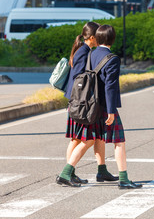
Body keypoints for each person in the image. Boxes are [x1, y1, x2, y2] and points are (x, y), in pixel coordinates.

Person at [58, 24, 142, 189]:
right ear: (112, 39)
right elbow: (110, 87)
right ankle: (123, 179)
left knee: (91, 139)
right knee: (118, 141)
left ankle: (77, 172)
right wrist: (111, 111)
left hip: (92, 105)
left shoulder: (91, 53)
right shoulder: (112, 59)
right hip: (102, 106)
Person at [56, 22, 118, 187]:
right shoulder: (84, 52)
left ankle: (101, 170)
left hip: (83, 101)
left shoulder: (85, 50)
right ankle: (69, 172)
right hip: (81, 102)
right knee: (80, 139)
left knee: (97, 137)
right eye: (97, 36)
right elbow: (79, 78)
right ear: (92, 38)